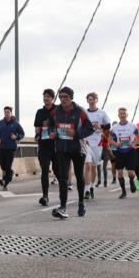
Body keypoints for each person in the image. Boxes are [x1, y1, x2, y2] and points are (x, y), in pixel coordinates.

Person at [50, 87, 94, 219]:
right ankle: (63, 207)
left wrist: (76, 133)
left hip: (77, 148)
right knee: (63, 178)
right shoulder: (56, 111)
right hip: (62, 148)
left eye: (65, 97)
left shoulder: (80, 111)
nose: (63, 99)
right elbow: (52, 125)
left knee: (79, 176)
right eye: (61, 97)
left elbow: (90, 129)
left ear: (71, 98)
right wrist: (52, 133)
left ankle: (81, 202)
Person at [82, 92, 110, 201]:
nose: (91, 101)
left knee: (94, 167)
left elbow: (108, 126)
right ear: (87, 101)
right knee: (87, 165)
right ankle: (87, 190)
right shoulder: (84, 113)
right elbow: (80, 126)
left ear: (96, 100)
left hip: (97, 143)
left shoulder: (102, 113)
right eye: (89, 99)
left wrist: (101, 126)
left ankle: (92, 186)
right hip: (87, 142)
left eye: (93, 99)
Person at [34, 89, 59, 206]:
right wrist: (37, 135)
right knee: (44, 170)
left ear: (53, 98)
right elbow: (37, 128)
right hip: (43, 145)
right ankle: (45, 196)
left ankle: (63, 194)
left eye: (48, 96)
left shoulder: (58, 110)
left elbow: (63, 125)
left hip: (56, 145)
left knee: (58, 171)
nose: (46, 98)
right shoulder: (39, 112)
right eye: (44, 96)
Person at [0, 106, 24, 189]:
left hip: (10, 148)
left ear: (11, 113)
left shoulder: (15, 123)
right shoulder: (0, 123)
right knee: (2, 165)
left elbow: (22, 134)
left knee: (8, 166)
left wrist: (16, 137)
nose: (6, 114)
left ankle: (5, 181)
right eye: (5, 112)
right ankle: (10, 174)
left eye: (8, 112)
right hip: (1, 147)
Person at [109, 108, 139, 199]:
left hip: (130, 151)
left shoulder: (132, 126)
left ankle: (131, 181)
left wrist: (133, 144)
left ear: (127, 115)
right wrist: (116, 144)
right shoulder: (114, 128)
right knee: (120, 172)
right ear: (118, 115)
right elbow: (109, 140)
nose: (122, 115)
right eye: (120, 114)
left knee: (131, 173)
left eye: (124, 113)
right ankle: (123, 192)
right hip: (120, 152)